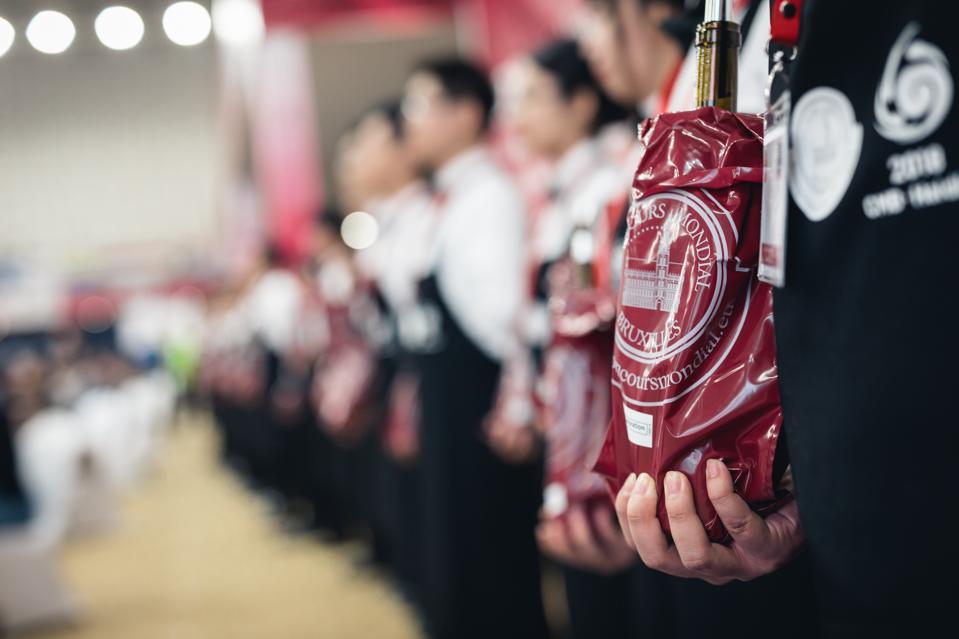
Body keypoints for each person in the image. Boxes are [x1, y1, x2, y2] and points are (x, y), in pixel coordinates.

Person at [401, 58, 548, 639]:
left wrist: (516, 405)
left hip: (480, 411)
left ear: (465, 113)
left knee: (490, 563)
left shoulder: (486, 197)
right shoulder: (451, 198)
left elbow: (505, 321)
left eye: (419, 106)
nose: (409, 123)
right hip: (451, 407)